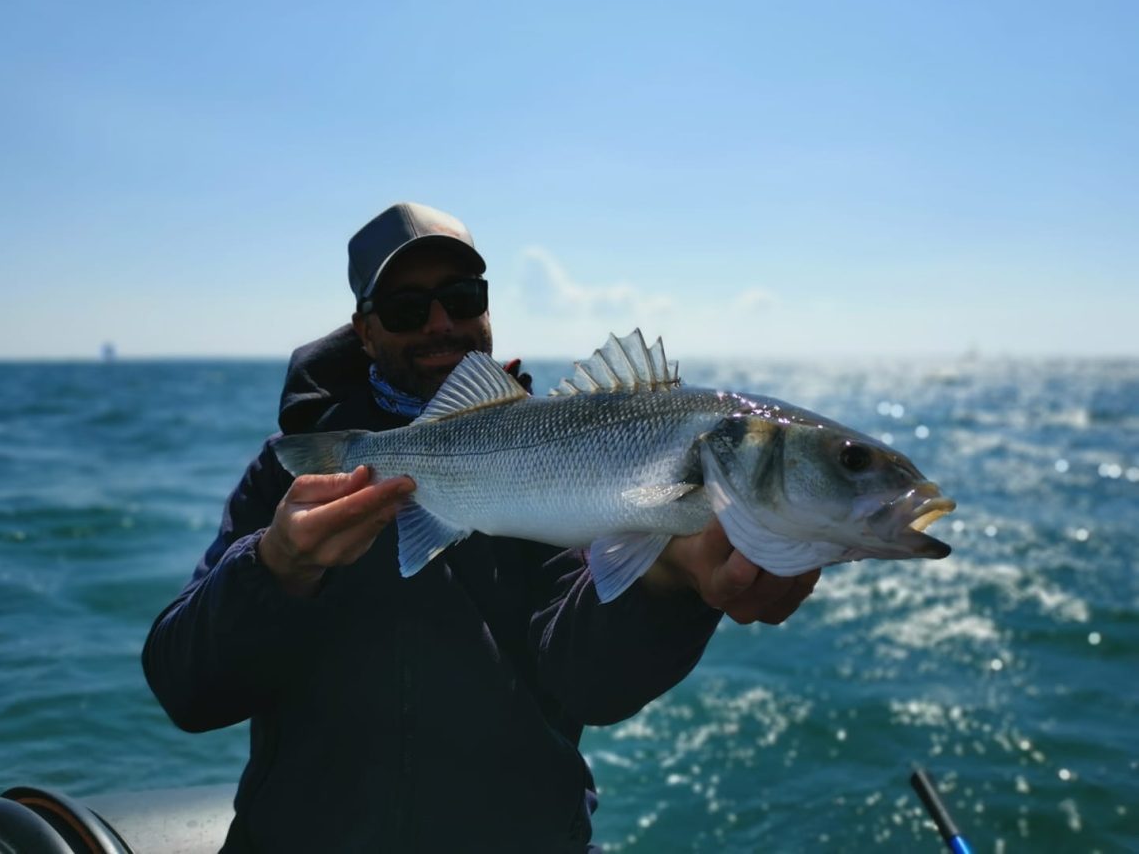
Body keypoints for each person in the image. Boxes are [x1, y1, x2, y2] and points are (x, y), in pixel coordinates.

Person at [143, 202, 821, 853]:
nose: (441, 322)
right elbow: (187, 688)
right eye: (408, 309)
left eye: (463, 297)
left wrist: (669, 585)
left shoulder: (564, 452)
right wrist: (273, 568)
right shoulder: (290, 470)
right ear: (365, 329)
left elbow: (588, 681)